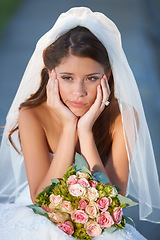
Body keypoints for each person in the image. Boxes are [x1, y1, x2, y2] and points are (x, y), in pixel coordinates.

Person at [0, 7, 159, 240]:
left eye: (92, 79)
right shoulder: (32, 114)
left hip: (100, 223)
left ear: (108, 76)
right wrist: (68, 127)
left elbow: (115, 204)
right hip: (43, 216)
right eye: (67, 78)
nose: (79, 92)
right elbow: (41, 198)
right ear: (51, 74)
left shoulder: (122, 117)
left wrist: (85, 131)